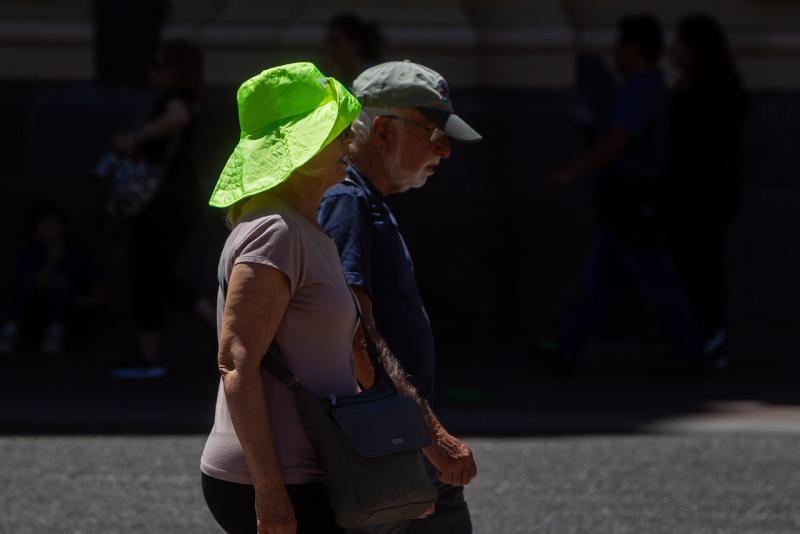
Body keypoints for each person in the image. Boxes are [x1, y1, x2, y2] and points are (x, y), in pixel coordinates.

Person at [199, 62, 366, 534]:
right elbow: (236, 362)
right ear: (304, 148)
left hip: (312, 470)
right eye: (339, 133)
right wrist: (269, 492)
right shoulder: (276, 230)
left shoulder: (301, 227)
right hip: (280, 479)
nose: (350, 145)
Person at [318, 60, 481, 534]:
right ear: (383, 131)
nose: (446, 150)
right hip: (387, 447)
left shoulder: (363, 200)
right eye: (432, 133)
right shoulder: (346, 200)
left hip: (400, 441)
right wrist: (428, 434)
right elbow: (352, 332)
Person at [549, 14, 706, 375]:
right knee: (602, 278)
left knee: (653, 277)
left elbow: (616, 141)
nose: (614, 54)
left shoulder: (643, 89)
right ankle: (568, 346)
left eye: (619, 46)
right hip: (626, 201)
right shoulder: (642, 87)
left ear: (633, 48)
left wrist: (571, 172)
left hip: (636, 201)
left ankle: (691, 350)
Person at [108, 39, 211, 378]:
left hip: (164, 202)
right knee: (154, 275)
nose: (152, 72)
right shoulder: (184, 100)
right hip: (173, 201)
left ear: (174, 70)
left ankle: (150, 356)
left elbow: (177, 120)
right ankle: (218, 325)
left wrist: (137, 139)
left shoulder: (176, 101)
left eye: (158, 65)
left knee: (149, 274)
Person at [669, 13, 748, 365]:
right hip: (706, 191)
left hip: (701, 193)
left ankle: (709, 338)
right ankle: (704, 337)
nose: (673, 50)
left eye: (680, 43)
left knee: (701, 267)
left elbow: (705, 149)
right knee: (700, 266)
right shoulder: (713, 85)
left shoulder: (708, 91)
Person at [0, 204, 100, 356]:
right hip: (31, 307)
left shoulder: (76, 256)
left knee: (61, 283)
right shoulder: (28, 254)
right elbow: (36, 282)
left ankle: (55, 331)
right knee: (29, 282)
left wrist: (76, 300)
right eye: (45, 225)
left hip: (66, 311)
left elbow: (95, 290)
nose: (50, 229)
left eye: (54, 224)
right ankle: (11, 330)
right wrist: (52, 260)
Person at [326, 12, 384, 87]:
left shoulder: (373, 77)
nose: (331, 47)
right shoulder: (342, 76)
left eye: (336, 41)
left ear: (355, 43)